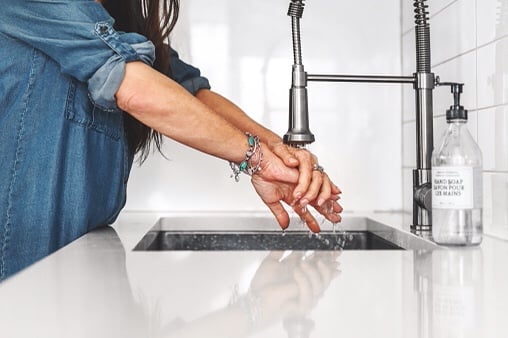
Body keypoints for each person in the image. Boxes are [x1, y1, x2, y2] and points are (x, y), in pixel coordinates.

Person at [0, 0, 342, 281]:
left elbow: (192, 93)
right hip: (19, 275)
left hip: (78, 266)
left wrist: (278, 154)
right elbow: (134, 87)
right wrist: (256, 159)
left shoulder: (117, 19)